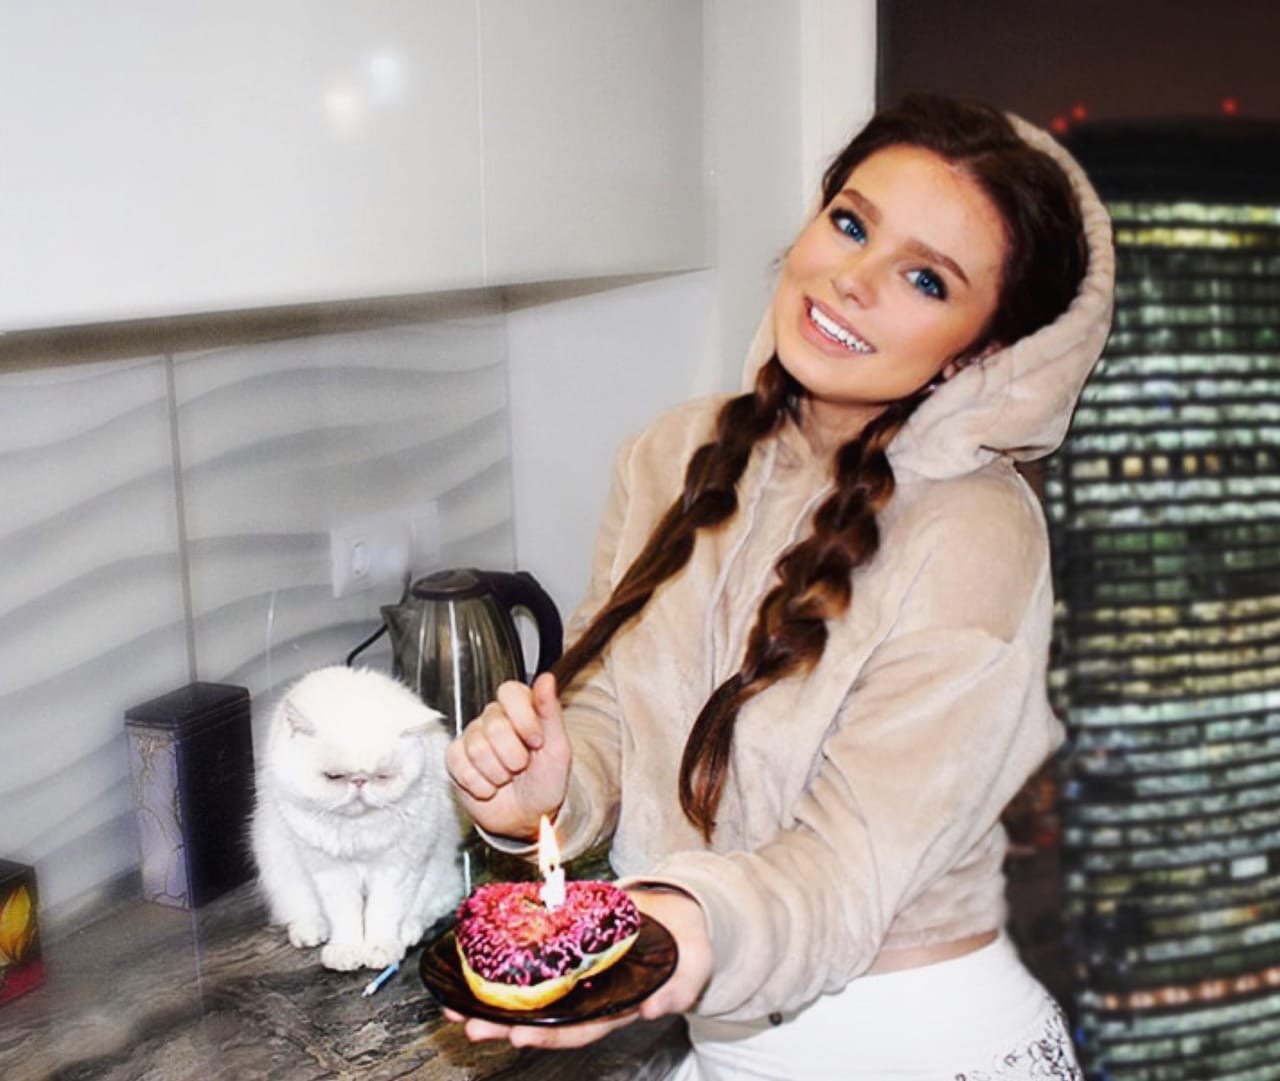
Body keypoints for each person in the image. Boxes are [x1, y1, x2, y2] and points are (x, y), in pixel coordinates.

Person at [445, 93, 1113, 1079]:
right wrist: (550, 789)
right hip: (723, 1036)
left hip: (914, 1047)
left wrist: (676, 920)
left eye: (924, 278)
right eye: (850, 223)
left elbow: (847, 868)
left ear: (977, 351)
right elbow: (610, 709)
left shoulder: (975, 531)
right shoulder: (671, 453)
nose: (851, 279)